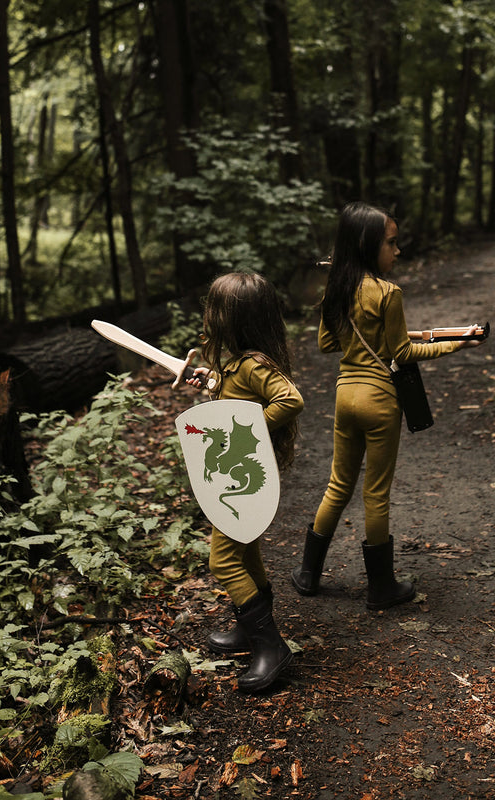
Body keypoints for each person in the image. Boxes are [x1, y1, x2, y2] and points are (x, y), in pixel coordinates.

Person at [291, 201, 482, 610]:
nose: (397, 251)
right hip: (379, 400)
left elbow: (328, 344)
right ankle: (381, 588)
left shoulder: (336, 289)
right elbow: (402, 352)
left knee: (338, 485)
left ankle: (308, 574)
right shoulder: (387, 292)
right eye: (391, 243)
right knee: (375, 494)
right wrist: (457, 343)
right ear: (367, 244)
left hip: (345, 397)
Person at [186, 272, 304, 692]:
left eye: (213, 310)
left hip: (244, 474)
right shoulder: (236, 364)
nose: (208, 316)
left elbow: (290, 399)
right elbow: (235, 401)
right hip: (237, 473)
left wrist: (249, 432)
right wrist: (213, 383)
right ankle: (249, 629)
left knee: (223, 561)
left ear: (232, 319)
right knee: (247, 549)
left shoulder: (254, 364)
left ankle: (271, 647)